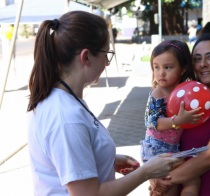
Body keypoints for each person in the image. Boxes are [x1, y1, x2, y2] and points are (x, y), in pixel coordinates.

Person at [26, 11, 182, 196]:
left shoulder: (64, 101)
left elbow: (72, 157)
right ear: (86, 57)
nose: (107, 64)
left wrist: (108, 159)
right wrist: (147, 171)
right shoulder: (66, 117)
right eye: (106, 54)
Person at [149, 34, 210, 195]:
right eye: (197, 58)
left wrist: (163, 181)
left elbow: (208, 158)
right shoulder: (178, 94)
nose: (203, 64)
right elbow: (156, 133)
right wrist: (151, 173)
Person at [140, 40, 204, 195]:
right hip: (156, 149)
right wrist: (178, 121)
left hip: (172, 148)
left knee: (192, 180)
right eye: (156, 67)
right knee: (168, 187)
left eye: (168, 67)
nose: (161, 73)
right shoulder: (158, 93)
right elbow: (151, 122)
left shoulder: (185, 90)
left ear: (183, 69)